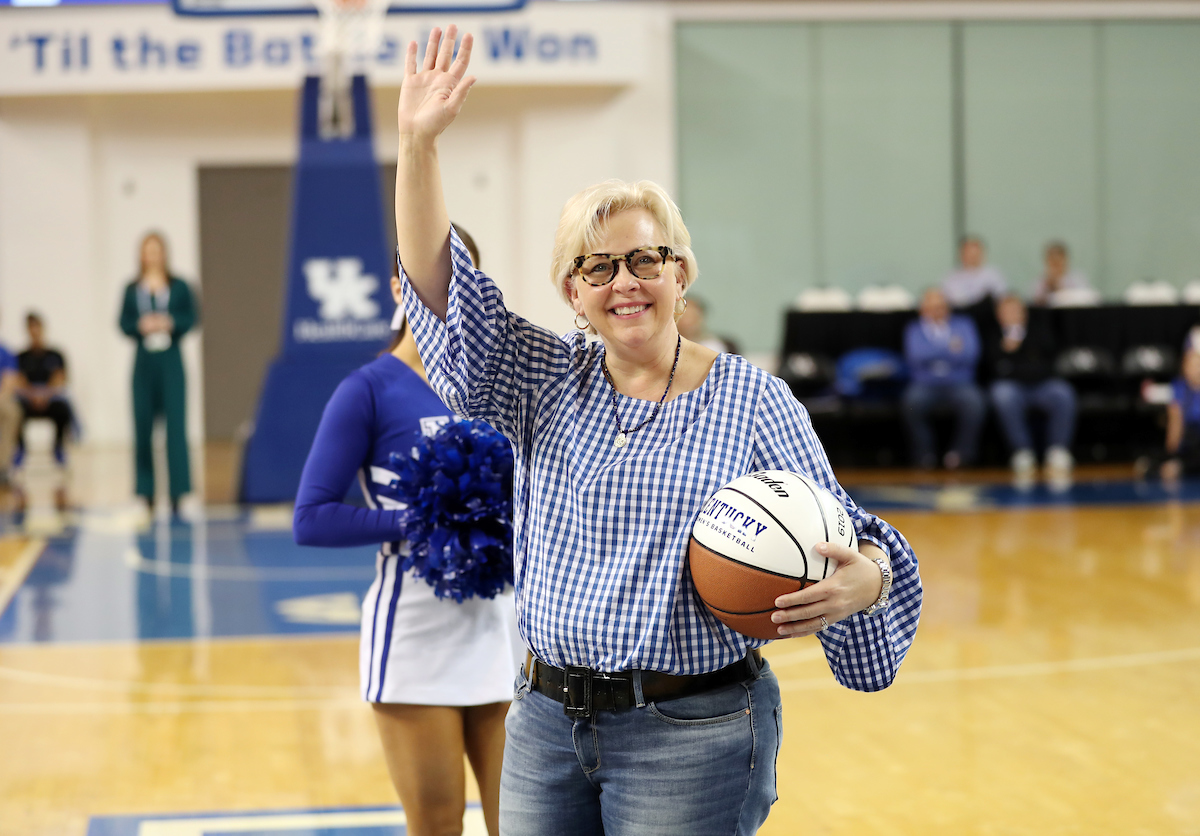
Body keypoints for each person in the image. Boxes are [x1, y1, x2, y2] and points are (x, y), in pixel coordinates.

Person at [393, 27, 922, 836]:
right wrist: (417, 145)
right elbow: (438, 289)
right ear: (573, 292)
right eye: (597, 267)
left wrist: (870, 581)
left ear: (682, 272)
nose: (625, 282)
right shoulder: (542, 378)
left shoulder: (754, 401)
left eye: (645, 260)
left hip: (693, 732)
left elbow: (851, 537)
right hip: (541, 721)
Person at [294, 228, 519, 836]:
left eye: (461, 278)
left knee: (526, 825)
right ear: (398, 285)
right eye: (427, 274)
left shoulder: (500, 388)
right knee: (438, 826)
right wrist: (428, 523)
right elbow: (311, 517)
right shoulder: (366, 389)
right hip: (416, 638)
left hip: (507, 633)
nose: (446, 292)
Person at [118, 232, 199, 516]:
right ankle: (146, 491)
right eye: (147, 251)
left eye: (157, 251)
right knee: (142, 426)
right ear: (141, 255)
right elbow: (123, 322)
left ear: (164, 254)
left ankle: (178, 493)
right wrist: (140, 326)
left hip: (171, 359)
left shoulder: (179, 286)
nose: (152, 256)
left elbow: (192, 318)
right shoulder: (132, 288)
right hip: (144, 361)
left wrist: (170, 322)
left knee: (175, 427)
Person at [985, 295, 1076, 486]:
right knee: (1002, 394)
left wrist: (1013, 363)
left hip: (1042, 385)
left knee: (1063, 392)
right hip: (1013, 389)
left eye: (1015, 310)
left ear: (1024, 313)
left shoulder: (1038, 330)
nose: (1011, 314)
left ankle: (1057, 450)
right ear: (998, 315)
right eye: (1006, 311)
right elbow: (992, 368)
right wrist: (1012, 358)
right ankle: (1022, 450)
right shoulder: (993, 335)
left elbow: (1048, 363)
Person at [901, 288, 986, 470]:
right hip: (925, 383)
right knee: (911, 402)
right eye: (931, 307)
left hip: (959, 382)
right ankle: (925, 454)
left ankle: (960, 454)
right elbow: (915, 357)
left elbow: (971, 354)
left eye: (940, 306)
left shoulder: (964, 324)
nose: (936, 311)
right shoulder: (914, 328)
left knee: (975, 402)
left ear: (948, 307)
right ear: (923, 309)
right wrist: (949, 348)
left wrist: (932, 354)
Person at [13, 312, 76, 511]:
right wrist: (32, 395)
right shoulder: (21, 357)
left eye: (37, 327)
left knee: (63, 407)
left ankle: (58, 448)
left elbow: (61, 378)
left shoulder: (55, 354)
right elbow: (18, 380)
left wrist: (45, 394)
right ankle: (20, 450)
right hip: (29, 400)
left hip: (49, 399)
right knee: (16, 409)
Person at [1138, 348, 1200, 482]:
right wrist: (1171, 454)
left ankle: (1181, 466)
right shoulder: (1179, 387)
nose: (1195, 370)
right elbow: (1175, 425)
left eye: (1198, 365)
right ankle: (1170, 463)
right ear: (1184, 367)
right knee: (1156, 462)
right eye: (1191, 365)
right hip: (1187, 442)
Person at [941, 235, 1007, 308]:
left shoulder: (993, 274)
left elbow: (1003, 299)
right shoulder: (951, 277)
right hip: (961, 314)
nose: (971, 256)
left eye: (974, 252)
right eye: (967, 252)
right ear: (961, 254)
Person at [1030, 241, 1091, 306]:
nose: (1056, 265)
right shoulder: (1041, 281)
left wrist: (1060, 289)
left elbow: (1085, 299)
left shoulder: (1077, 278)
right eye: (1052, 261)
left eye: (1059, 261)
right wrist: (1047, 288)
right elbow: (1033, 301)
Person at [0, 319, 19, 490]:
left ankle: (3, 467)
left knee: (11, 411)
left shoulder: (5, 353)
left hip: (1, 400)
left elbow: (9, 382)